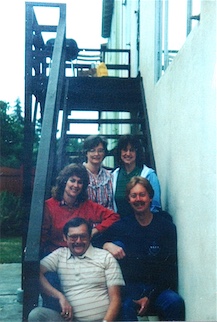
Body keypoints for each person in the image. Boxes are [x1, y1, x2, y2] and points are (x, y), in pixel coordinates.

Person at [99, 177, 185, 321]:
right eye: (133, 196)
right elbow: (97, 241)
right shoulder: (122, 226)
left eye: (142, 194)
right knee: (124, 307)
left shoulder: (165, 227)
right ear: (128, 199)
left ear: (150, 197)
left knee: (175, 302)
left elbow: (169, 269)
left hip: (157, 289)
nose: (138, 199)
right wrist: (107, 245)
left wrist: (149, 297)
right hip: (130, 288)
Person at [28, 217, 125, 322]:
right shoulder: (60, 255)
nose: (78, 241)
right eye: (73, 237)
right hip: (71, 320)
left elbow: (115, 299)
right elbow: (34, 271)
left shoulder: (105, 257)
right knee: (37, 315)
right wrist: (60, 296)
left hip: (103, 320)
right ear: (65, 238)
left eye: (83, 236)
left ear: (89, 237)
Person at [41, 163, 119, 256]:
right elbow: (42, 237)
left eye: (80, 182)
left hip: (82, 255)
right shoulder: (49, 206)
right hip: (56, 255)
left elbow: (114, 217)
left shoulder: (86, 205)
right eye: (72, 181)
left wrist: (95, 231)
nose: (76, 185)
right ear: (64, 182)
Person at [112, 134, 161, 217]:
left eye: (131, 150)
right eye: (124, 150)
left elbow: (155, 206)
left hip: (142, 224)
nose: (128, 153)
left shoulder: (149, 175)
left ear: (137, 153)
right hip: (120, 224)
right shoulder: (114, 176)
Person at [82, 135, 114, 210]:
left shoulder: (110, 176)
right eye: (92, 150)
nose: (96, 154)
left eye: (100, 150)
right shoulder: (78, 174)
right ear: (86, 153)